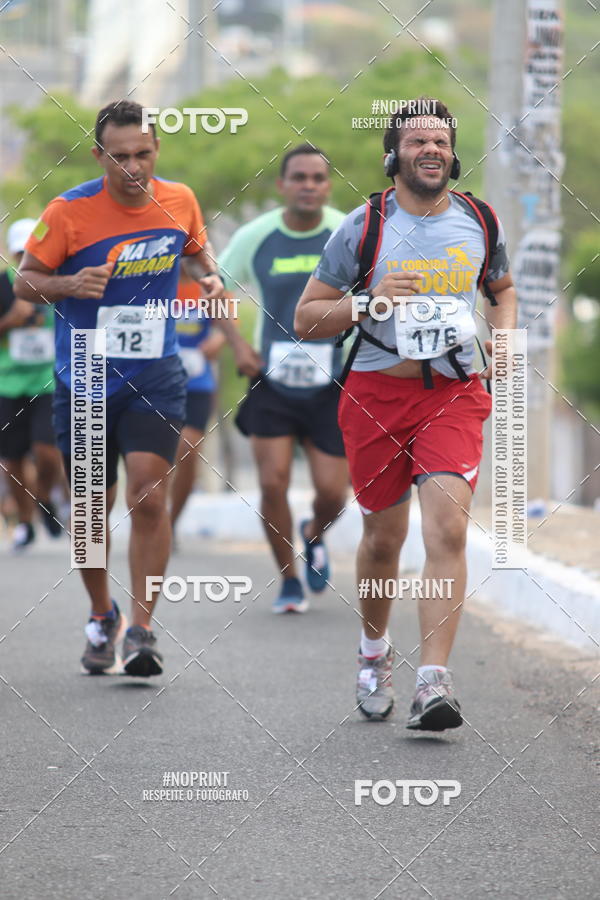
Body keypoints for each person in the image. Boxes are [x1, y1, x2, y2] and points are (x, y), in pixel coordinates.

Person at [295, 98, 517, 730]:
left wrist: (503, 338)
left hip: (452, 392)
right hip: (375, 396)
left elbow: (500, 290)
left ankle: (433, 681)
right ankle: (373, 654)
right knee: (383, 539)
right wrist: (367, 302)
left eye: (442, 142)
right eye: (418, 140)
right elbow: (307, 316)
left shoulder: (480, 218)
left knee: (446, 530)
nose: (432, 150)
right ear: (394, 154)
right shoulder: (363, 226)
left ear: (452, 154)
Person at [16, 100, 223, 676]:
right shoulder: (67, 212)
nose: (134, 167)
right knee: (87, 512)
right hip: (82, 371)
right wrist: (68, 281)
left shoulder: (178, 199)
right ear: (99, 155)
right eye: (120, 156)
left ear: (157, 151)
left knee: (148, 496)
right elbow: (26, 282)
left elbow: (199, 255)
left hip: (154, 370)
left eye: (144, 154)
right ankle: (102, 614)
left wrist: (208, 278)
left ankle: (142, 629)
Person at [216, 144, 348, 613]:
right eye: (299, 178)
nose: (308, 186)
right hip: (271, 377)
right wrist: (239, 347)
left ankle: (314, 532)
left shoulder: (345, 230)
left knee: (333, 492)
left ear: (327, 186)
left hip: (333, 379)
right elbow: (216, 287)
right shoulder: (257, 235)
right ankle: (289, 579)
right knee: (272, 483)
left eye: (317, 178)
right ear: (283, 185)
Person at [0, 218, 66, 551]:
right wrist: (11, 320)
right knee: (12, 459)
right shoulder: (2, 285)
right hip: (7, 383)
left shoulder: (58, 283)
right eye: (22, 251)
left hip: (49, 381)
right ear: (13, 253)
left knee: (47, 452)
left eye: (34, 250)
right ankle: (25, 522)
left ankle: (44, 500)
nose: (29, 256)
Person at [170, 275, 224, 542]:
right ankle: (151, 515)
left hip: (198, 384)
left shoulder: (209, 286)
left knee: (188, 451)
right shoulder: (156, 282)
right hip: (157, 383)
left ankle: (170, 522)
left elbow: (228, 322)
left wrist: (219, 339)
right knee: (151, 459)